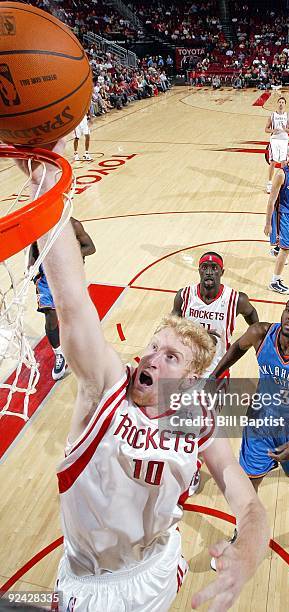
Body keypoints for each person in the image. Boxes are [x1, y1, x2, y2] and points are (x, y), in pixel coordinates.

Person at [18, 140, 269, 612]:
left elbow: (248, 504)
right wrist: (44, 184)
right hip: (88, 582)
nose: (152, 358)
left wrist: (250, 549)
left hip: (156, 571)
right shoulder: (106, 387)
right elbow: (73, 306)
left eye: (170, 356)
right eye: (153, 346)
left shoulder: (197, 419)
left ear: (190, 380)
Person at [210, 295, 289, 504]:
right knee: (249, 479)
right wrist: (214, 375)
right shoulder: (260, 333)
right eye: (288, 310)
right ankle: (245, 527)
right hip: (262, 420)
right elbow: (237, 348)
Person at [172, 251, 259, 493]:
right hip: (186, 372)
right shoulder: (184, 295)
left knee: (202, 426)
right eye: (205, 267)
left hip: (216, 375)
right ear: (199, 271)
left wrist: (255, 342)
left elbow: (253, 317)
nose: (209, 271)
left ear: (222, 272)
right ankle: (190, 465)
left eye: (214, 267)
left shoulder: (236, 299)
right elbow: (172, 325)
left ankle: (193, 469)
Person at [29, 218, 96, 380]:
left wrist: (69, 252)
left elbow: (91, 248)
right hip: (45, 276)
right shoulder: (39, 224)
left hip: (68, 274)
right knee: (50, 316)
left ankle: (83, 347)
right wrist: (30, 268)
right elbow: (33, 248)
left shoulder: (73, 225)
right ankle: (59, 354)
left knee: (74, 314)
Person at [264, 143, 289, 295]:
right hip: (283, 215)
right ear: (288, 155)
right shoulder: (281, 174)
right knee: (286, 248)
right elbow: (271, 201)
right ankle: (275, 282)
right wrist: (268, 224)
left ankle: (276, 249)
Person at [265, 96, 289, 194]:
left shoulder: (287, 115)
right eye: (279, 102)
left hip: (284, 140)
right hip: (275, 140)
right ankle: (269, 183)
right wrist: (273, 130)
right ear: (277, 104)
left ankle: (283, 184)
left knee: (284, 162)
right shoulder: (272, 115)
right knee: (273, 162)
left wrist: (285, 129)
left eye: (283, 102)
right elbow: (266, 129)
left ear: (285, 104)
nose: (281, 104)